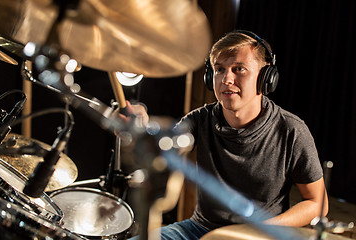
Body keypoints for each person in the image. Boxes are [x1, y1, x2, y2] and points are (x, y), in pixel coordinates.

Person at [128, 30, 328, 240]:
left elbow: (317, 203)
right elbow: (164, 148)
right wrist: (141, 128)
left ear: (265, 78)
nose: (226, 79)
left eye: (239, 69)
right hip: (199, 230)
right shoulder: (200, 119)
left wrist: (263, 228)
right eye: (219, 69)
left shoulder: (291, 130)